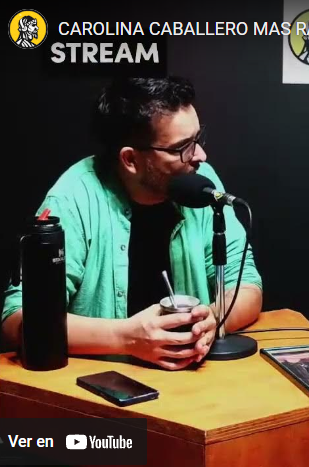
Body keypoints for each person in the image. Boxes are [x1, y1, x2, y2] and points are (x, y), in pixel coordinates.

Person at [2, 76, 263, 370]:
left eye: (198, 139)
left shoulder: (201, 184)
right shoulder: (73, 197)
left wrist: (213, 318)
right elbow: (17, 321)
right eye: (182, 147)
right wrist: (125, 338)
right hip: (103, 384)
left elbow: (247, 286)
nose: (200, 156)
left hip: (194, 382)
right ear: (130, 160)